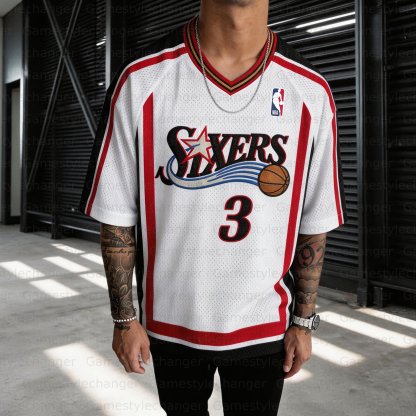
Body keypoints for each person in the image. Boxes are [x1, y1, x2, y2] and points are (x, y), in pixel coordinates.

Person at [78, 0, 347, 414]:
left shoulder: (309, 90)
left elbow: (315, 220)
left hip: (263, 323)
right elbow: (116, 217)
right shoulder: (142, 79)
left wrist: (303, 321)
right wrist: (124, 320)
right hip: (173, 322)